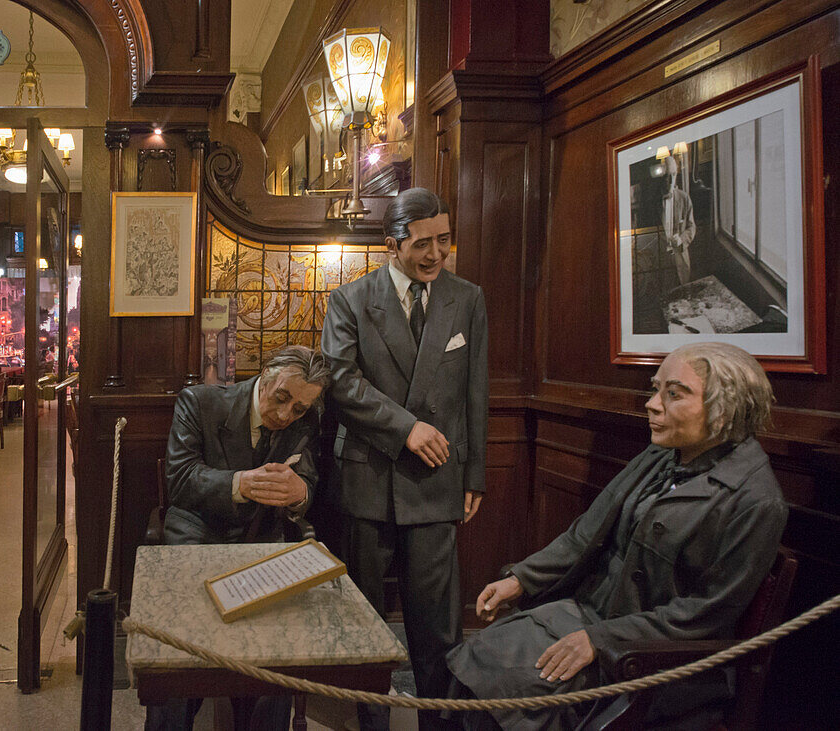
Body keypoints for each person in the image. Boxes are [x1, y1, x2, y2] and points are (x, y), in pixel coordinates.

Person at [444, 342, 788, 730]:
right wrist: (522, 579)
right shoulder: (664, 455)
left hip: (654, 659)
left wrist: (601, 640)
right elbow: (584, 535)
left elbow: (704, 616)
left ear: (728, 406)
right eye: (656, 389)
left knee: (512, 694)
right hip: (590, 614)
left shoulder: (756, 501)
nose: (653, 404)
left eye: (674, 394)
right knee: (477, 658)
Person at [320, 187, 488, 731]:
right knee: (367, 623)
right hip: (367, 482)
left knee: (438, 628)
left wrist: (475, 473)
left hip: (438, 482)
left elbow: (475, 394)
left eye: (444, 240)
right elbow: (341, 384)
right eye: (422, 243)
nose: (436, 253)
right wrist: (407, 427)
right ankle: (370, 723)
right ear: (392, 243)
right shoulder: (349, 300)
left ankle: (442, 724)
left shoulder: (467, 299)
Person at [145, 344, 331, 731]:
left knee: (274, 657)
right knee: (179, 652)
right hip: (196, 533)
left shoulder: (305, 421)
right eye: (281, 398)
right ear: (265, 373)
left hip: (259, 538)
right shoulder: (199, 401)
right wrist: (239, 484)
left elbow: (308, 484)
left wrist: (299, 494)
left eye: (298, 409)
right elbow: (179, 481)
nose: (285, 415)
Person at [662, 155, 696, 286]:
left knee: (684, 291)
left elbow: (692, 227)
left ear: (676, 175)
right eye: (666, 176)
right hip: (661, 257)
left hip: (680, 255)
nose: (670, 180)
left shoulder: (684, 198)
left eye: (672, 175)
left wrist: (681, 239)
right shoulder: (654, 199)